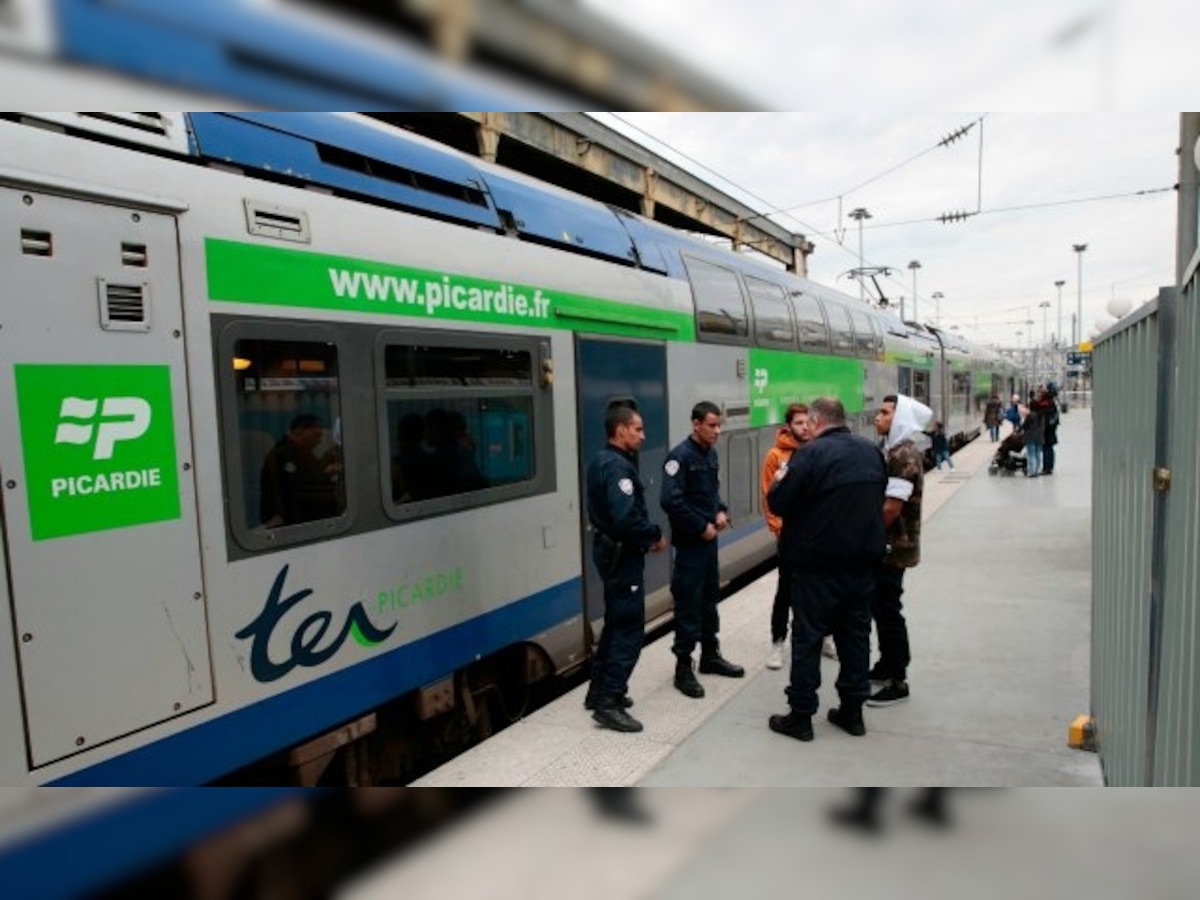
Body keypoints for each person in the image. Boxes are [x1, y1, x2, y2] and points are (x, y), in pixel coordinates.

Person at [765, 397, 887, 742]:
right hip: (862, 568)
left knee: (807, 639)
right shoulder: (870, 451)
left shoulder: (810, 455)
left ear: (816, 422)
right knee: (856, 638)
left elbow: (778, 501)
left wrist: (778, 481)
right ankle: (853, 712)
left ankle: (801, 717)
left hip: (817, 569)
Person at [585, 403, 667, 732]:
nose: (643, 436)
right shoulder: (618, 467)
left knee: (614, 623)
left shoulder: (599, 460)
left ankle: (597, 691)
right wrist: (653, 536)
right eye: (638, 429)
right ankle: (609, 702)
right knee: (629, 629)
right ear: (620, 430)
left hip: (608, 553)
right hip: (622, 558)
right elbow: (625, 517)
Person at [661, 401, 744, 699]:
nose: (717, 431)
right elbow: (670, 501)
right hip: (692, 545)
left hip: (709, 543)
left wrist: (720, 511)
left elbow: (711, 492)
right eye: (712, 425)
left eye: (719, 425)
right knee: (688, 602)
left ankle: (710, 655)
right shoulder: (679, 457)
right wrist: (700, 526)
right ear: (696, 424)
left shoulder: (710, 455)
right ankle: (683, 667)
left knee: (710, 598)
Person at [760, 404, 836, 669]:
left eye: (807, 422)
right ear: (788, 425)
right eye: (799, 423)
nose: (804, 427)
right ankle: (778, 642)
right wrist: (781, 532)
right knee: (786, 590)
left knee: (821, 589)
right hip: (790, 537)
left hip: (818, 535)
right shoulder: (776, 456)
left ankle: (825, 636)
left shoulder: (818, 451)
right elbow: (770, 499)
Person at [868, 394, 932, 707]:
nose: (877, 417)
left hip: (894, 546)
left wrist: (867, 533)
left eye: (884, 412)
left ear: (900, 418)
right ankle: (885, 664)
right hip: (892, 545)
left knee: (889, 610)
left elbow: (892, 508)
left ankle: (898, 678)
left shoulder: (903, 455)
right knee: (882, 608)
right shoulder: (896, 450)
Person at [259, 413, 344, 527]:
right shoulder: (284, 455)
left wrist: (326, 473)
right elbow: (296, 489)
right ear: (299, 431)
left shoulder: (303, 453)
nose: (319, 441)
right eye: (316, 435)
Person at [1037, 387, 1060, 475]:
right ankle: (1049, 467)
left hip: (1046, 430)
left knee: (1046, 448)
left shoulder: (1045, 403)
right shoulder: (1052, 402)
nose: (1038, 395)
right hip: (1051, 429)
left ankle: (1047, 468)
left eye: (1039, 393)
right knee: (1049, 448)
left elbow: (1043, 416)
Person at [1020, 399, 1045, 477]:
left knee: (1031, 454)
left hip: (1031, 437)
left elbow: (1024, 426)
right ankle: (1037, 470)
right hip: (1040, 437)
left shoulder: (1030, 415)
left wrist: (1018, 430)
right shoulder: (1042, 415)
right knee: (1038, 454)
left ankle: (1032, 471)